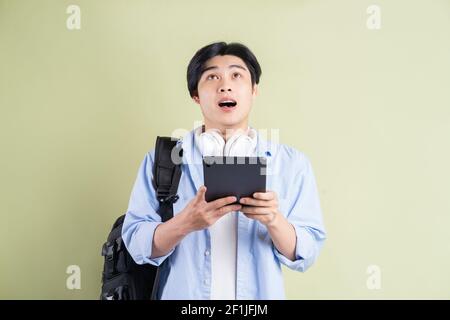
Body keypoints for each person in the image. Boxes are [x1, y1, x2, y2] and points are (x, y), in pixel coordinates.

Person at [122, 42, 326, 299]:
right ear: (196, 94)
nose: (225, 85)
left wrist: (273, 219)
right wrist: (184, 223)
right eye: (212, 77)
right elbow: (136, 242)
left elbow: (306, 252)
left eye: (236, 75)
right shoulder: (162, 160)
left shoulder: (291, 164)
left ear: (254, 90)